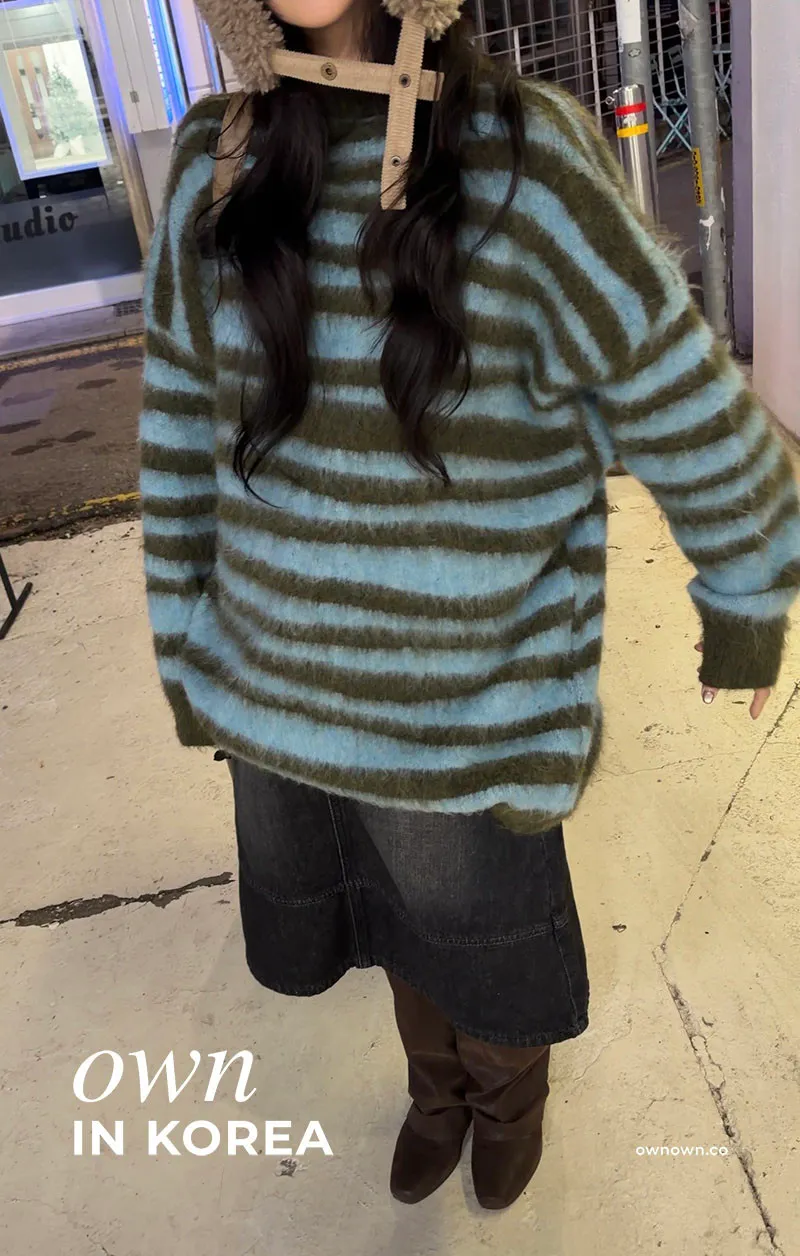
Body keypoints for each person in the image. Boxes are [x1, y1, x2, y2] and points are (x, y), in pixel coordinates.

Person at [139, 0, 800, 1211]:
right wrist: (186, 649)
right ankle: (433, 1088)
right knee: (389, 919)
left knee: (478, 932)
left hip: (467, 698)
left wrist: (747, 584)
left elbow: (670, 384)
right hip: (281, 689)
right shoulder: (213, 160)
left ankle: (504, 1097)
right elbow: (181, 423)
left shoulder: (522, 153)